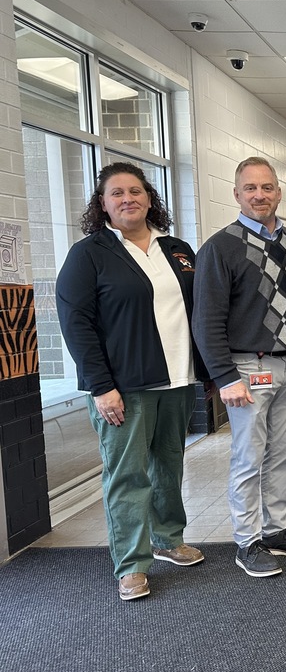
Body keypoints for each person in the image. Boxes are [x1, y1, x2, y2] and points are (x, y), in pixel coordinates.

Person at [56, 162, 207, 601]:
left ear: (149, 198)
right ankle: (131, 564)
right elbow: (76, 324)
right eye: (117, 193)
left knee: (169, 465)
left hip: (178, 380)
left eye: (136, 191)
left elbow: (197, 312)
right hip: (124, 387)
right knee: (127, 475)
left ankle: (168, 538)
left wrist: (207, 370)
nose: (128, 199)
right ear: (102, 203)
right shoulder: (89, 254)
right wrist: (101, 386)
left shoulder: (177, 248)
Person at [193, 157, 286, 578]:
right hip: (247, 368)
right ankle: (246, 542)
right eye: (250, 188)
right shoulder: (219, 247)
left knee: (284, 453)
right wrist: (224, 375)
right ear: (236, 194)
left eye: (267, 188)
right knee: (248, 458)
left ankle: (275, 530)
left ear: (278, 193)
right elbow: (206, 318)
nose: (259, 195)